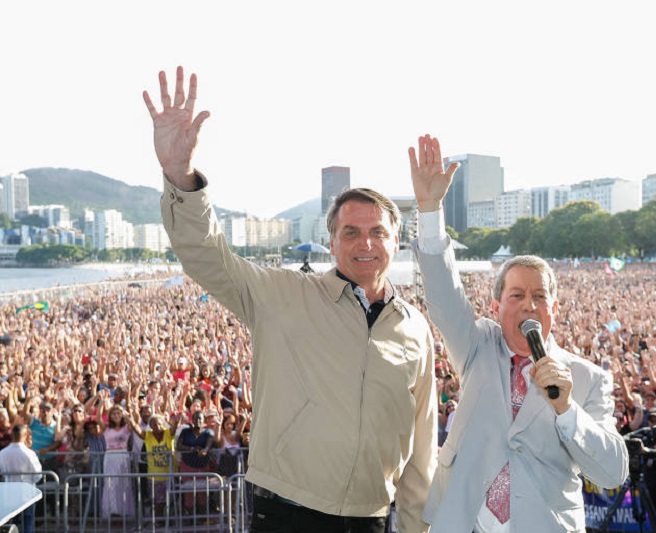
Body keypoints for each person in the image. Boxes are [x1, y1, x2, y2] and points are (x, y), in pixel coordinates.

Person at [143, 67, 437, 532]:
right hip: (286, 510)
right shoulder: (283, 294)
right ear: (332, 242)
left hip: (371, 516)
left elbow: (421, 445)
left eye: (377, 232)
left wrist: (417, 526)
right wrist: (180, 175)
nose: (365, 243)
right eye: (351, 232)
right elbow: (206, 257)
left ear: (395, 241)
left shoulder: (415, 328)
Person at [408, 134, 628, 531]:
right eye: (517, 295)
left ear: (554, 309)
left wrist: (566, 409)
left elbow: (613, 472)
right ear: (496, 307)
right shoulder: (477, 345)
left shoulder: (589, 379)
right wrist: (430, 210)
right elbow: (443, 295)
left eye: (540, 297)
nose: (529, 305)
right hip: (464, 523)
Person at [0, 424, 43, 533]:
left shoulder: (3, 453)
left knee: (9, 525)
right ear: (25, 435)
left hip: (9, 493)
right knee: (27, 523)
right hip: (26, 494)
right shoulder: (29, 453)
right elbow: (38, 474)